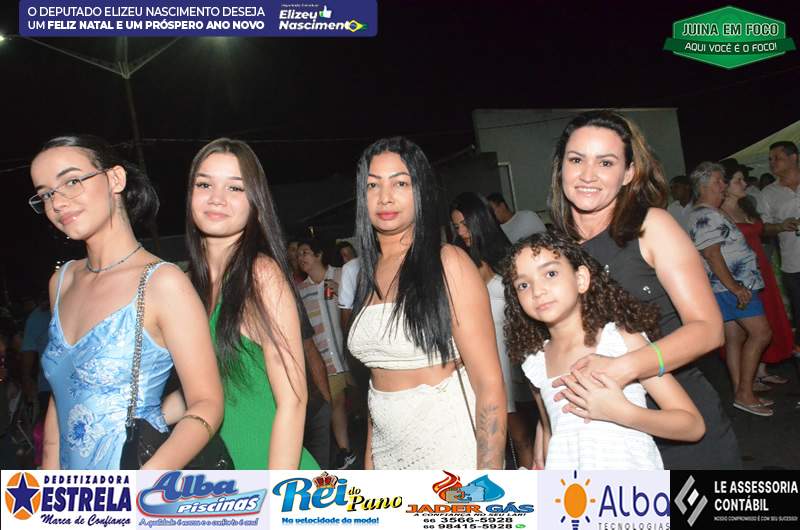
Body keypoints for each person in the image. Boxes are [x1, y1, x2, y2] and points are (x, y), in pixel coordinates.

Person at [548, 110, 740, 469]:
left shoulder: (651, 227)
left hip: (679, 426)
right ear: (561, 168)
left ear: (629, 173)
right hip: (598, 439)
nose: (588, 174)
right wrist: (545, 440)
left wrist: (622, 368)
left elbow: (708, 329)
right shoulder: (552, 252)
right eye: (576, 160)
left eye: (606, 162)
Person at [29, 135, 223, 469]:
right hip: (70, 492)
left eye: (71, 182)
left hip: (133, 478)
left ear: (115, 179)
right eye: (46, 194)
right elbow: (60, 399)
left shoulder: (162, 283)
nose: (57, 203)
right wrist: (49, 485)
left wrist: (141, 483)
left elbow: (207, 404)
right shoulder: (61, 282)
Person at [347, 136, 506, 470]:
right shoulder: (365, 273)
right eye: (373, 185)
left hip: (449, 448)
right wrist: (370, 465)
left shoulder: (448, 262)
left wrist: (488, 480)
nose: (385, 196)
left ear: (419, 190)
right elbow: (376, 384)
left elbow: (489, 383)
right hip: (388, 452)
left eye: (400, 183)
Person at [504, 232, 705, 469]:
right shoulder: (535, 363)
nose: (537, 291)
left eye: (551, 274)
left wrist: (621, 412)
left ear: (581, 279)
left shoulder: (621, 340)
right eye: (523, 285)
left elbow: (692, 425)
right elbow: (551, 433)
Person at [183, 138, 317, 469]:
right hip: (222, 478)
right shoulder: (188, 285)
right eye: (204, 184)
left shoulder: (261, 275)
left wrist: (277, 492)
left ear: (255, 203)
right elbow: (205, 392)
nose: (216, 198)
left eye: (235, 188)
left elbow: (293, 401)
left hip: (275, 471)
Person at [449, 191, 535, 469]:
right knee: (496, 436)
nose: (461, 232)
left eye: (465, 224)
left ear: (480, 221)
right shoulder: (459, 262)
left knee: (524, 434)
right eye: (456, 226)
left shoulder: (507, 256)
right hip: (485, 356)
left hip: (515, 353)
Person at [687, 162, 772, 417]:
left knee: (735, 338)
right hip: (732, 286)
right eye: (718, 181)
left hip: (728, 286)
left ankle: (741, 392)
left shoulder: (712, 212)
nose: (723, 185)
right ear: (703, 186)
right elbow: (712, 255)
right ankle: (745, 393)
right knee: (761, 333)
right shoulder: (706, 215)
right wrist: (735, 288)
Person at [719, 164, 793, 389]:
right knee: (747, 331)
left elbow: (761, 230)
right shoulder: (718, 213)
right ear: (725, 186)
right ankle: (745, 384)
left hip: (761, 267)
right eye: (738, 180)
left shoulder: (746, 206)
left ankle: (760, 371)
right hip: (740, 274)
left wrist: (781, 226)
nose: (745, 184)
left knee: (768, 317)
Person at [296, 239, 354, 469]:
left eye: (305, 253)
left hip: (350, 353)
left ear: (319, 254)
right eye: (299, 255)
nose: (301, 258)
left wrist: (342, 291)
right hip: (326, 358)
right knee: (336, 403)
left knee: (364, 401)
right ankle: (345, 450)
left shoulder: (341, 275)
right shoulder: (301, 290)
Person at [759, 141, 800, 351]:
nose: (772, 163)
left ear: (793, 158)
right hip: (793, 266)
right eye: (770, 159)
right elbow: (763, 228)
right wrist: (781, 226)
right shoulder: (768, 193)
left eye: (777, 158)